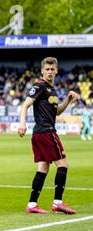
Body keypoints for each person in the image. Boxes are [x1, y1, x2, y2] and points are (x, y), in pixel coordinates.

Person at [18, 57, 78, 215]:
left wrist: (69, 99)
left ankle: (32, 204)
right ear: (42, 71)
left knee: (43, 167)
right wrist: (22, 124)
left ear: (57, 71)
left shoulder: (52, 90)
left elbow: (57, 111)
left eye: (52, 69)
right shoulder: (39, 86)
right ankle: (57, 202)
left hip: (41, 133)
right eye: (47, 69)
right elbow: (25, 105)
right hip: (46, 132)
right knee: (63, 164)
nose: (50, 72)